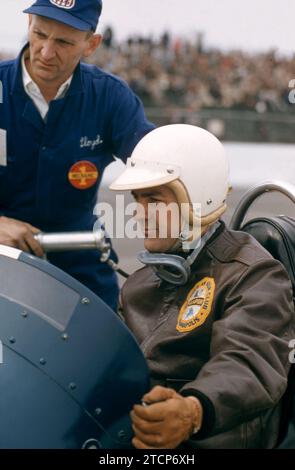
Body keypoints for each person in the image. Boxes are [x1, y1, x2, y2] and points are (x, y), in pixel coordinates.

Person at [109, 124, 295, 449]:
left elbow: (248, 360)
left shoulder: (253, 273)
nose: (140, 215)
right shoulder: (138, 284)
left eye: (154, 200)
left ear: (195, 197)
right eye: (138, 201)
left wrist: (193, 410)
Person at [0, 0, 154, 311]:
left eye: (63, 42)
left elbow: (157, 164)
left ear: (91, 44)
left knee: (108, 347)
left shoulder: (110, 97)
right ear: (29, 23)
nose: (45, 52)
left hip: (80, 261)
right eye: (40, 34)